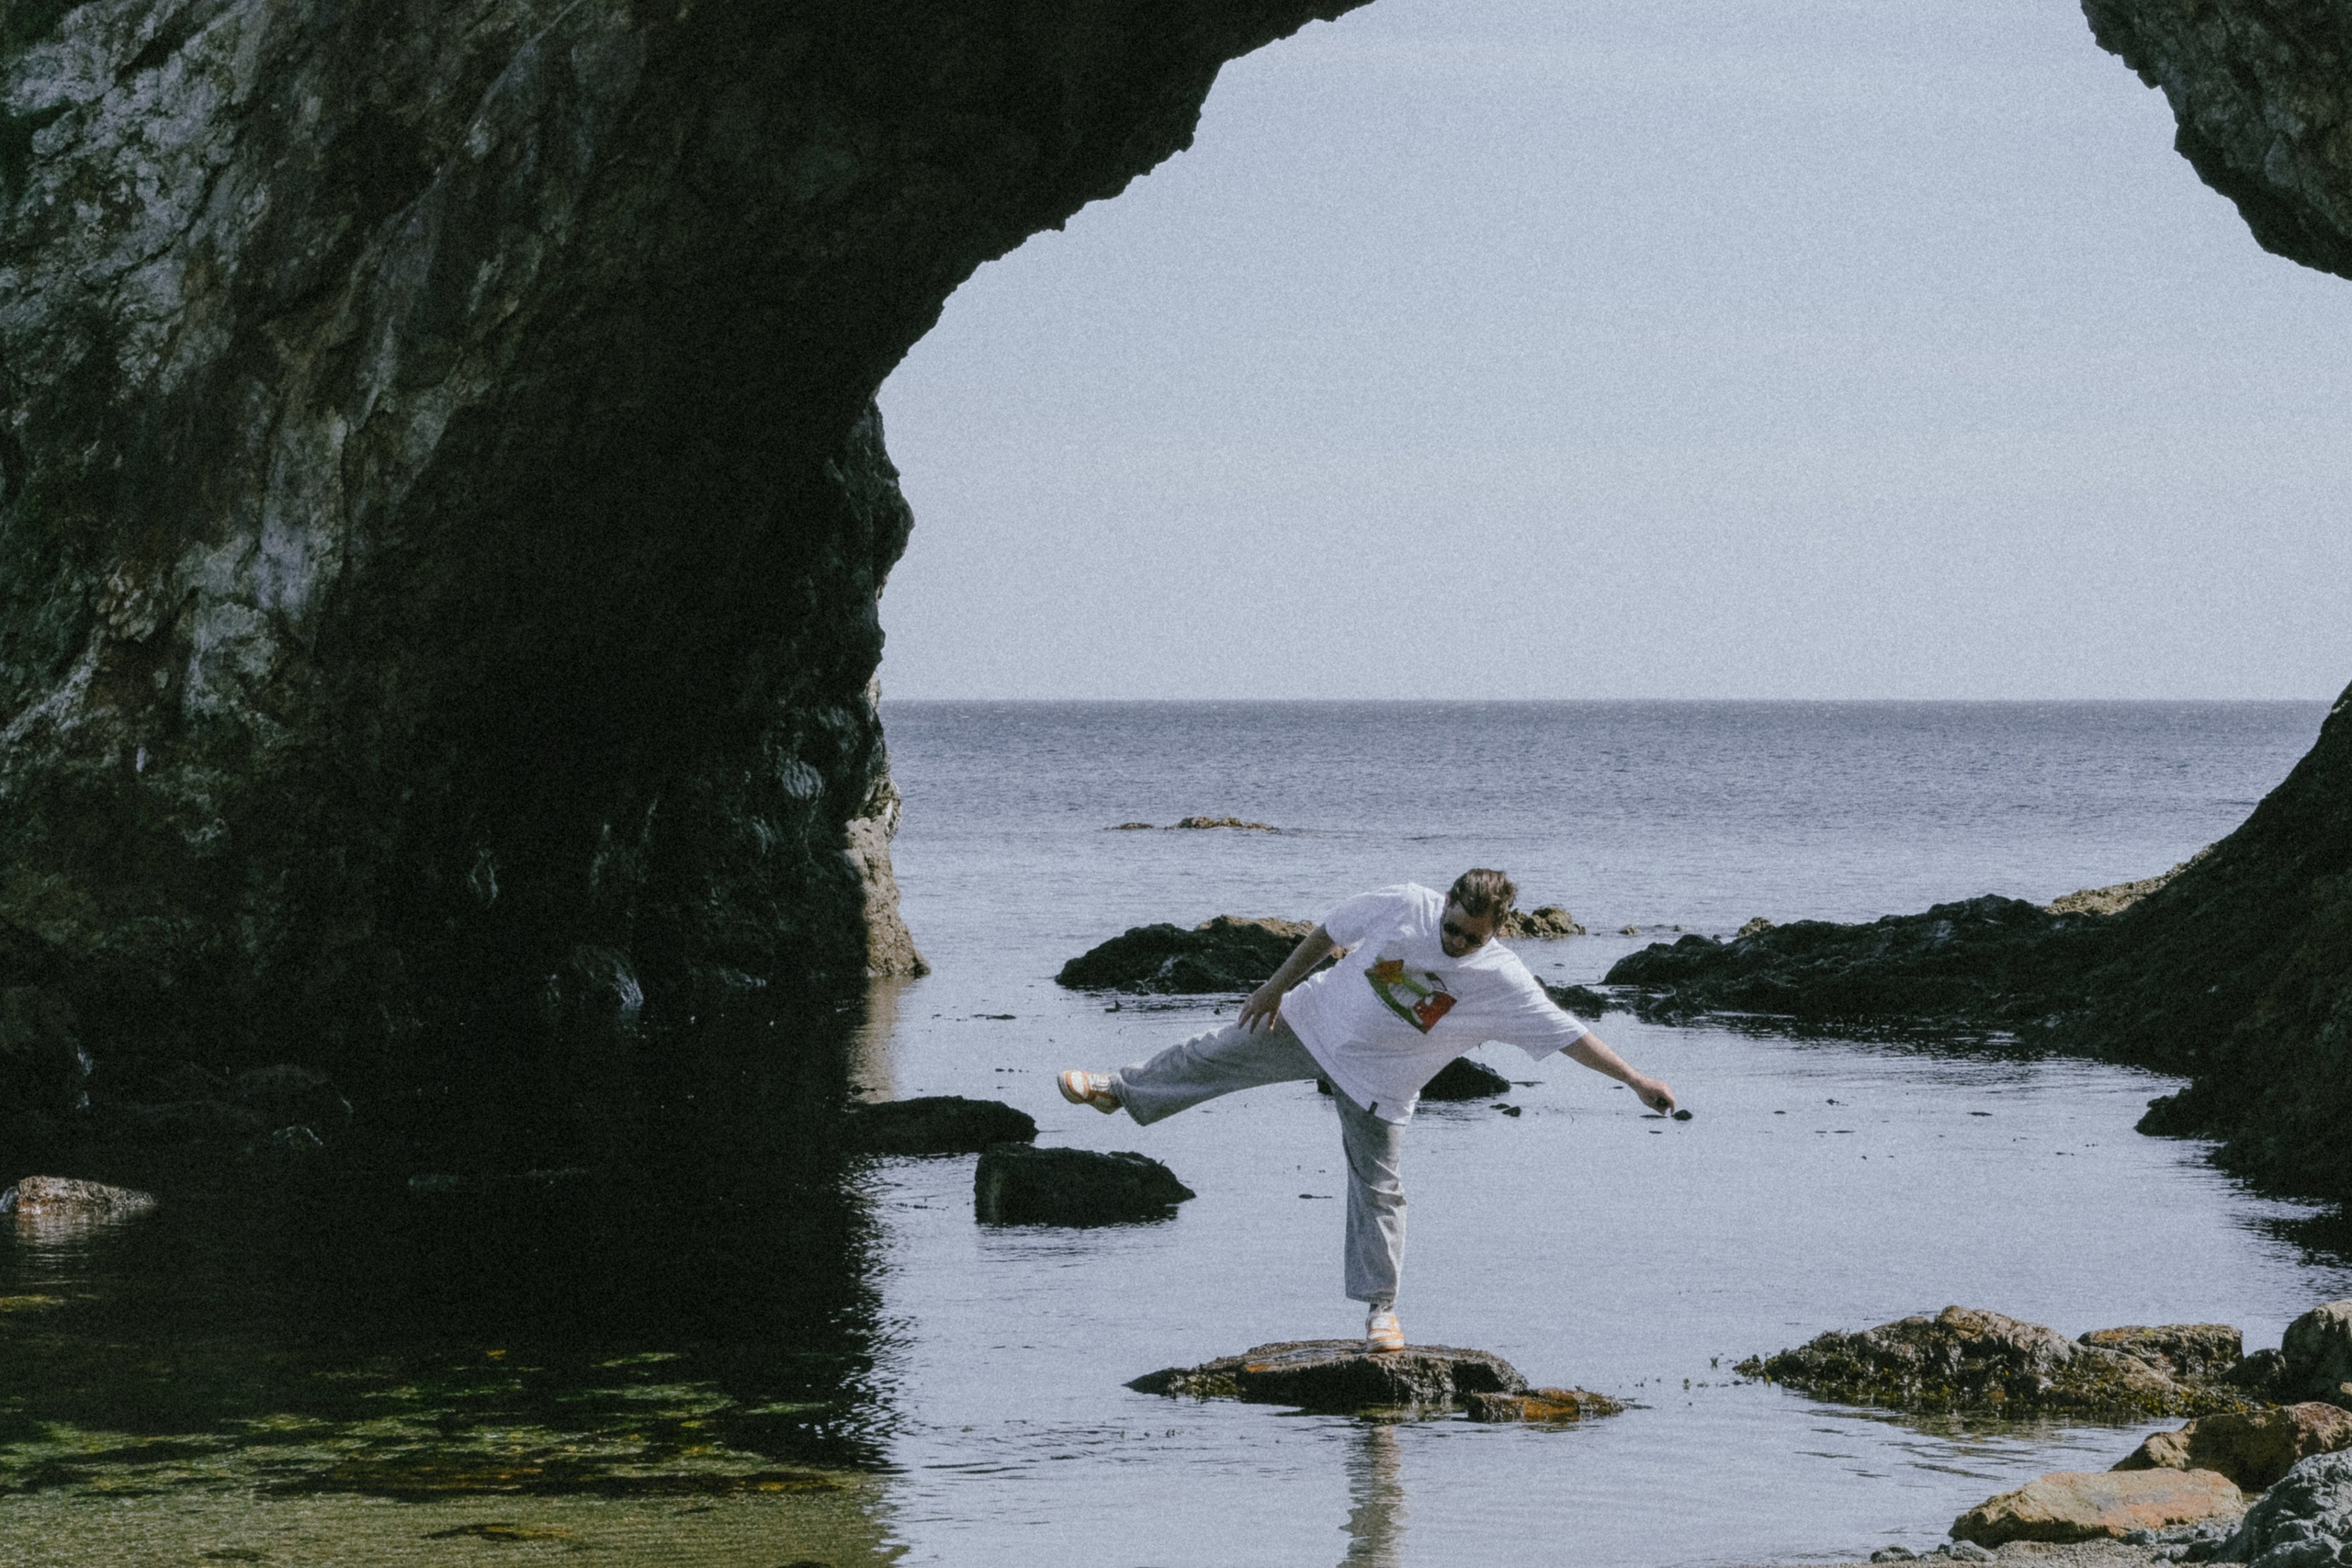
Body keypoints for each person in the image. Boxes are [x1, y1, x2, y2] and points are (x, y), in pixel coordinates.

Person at [1058, 869, 1677, 1353]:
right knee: (1213, 1052)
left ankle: (1382, 1310)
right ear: (1447, 903)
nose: (1456, 941)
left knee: (1379, 1190)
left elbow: (1568, 1034)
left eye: (1471, 936)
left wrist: (1635, 1079)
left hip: (1381, 1083)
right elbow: (1329, 931)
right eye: (1453, 927)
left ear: (1496, 930)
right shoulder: (1405, 904)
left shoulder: (1502, 979)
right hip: (1310, 1024)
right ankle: (1120, 1088)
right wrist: (1275, 986)